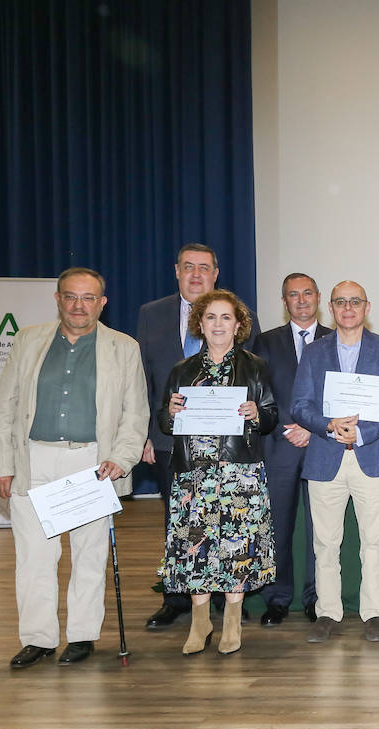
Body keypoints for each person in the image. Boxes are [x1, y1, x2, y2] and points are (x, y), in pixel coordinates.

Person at [0, 268, 148, 669]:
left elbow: (135, 413)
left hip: (91, 464)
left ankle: (81, 636)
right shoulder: (27, 341)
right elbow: (3, 408)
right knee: (34, 558)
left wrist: (122, 458)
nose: (80, 305)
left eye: (89, 298)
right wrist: (1, 464)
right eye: (72, 297)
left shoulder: (124, 347)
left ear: (102, 303)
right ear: (58, 299)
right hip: (33, 459)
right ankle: (39, 639)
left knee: (89, 555)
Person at [137, 243, 260, 630]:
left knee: (225, 523)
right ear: (176, 271)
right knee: (180, 521)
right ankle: (176, 600)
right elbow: (143, 379)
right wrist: (145, 432)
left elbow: (249, 386)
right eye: (188, 267)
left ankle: (224, 599)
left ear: (215, 273)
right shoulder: (150, 314)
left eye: (203, 268)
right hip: (167, 440)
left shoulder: (237, 318)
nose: (195, 274)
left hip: (228, 451)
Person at [159, 290, 279, 655]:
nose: (218, 324)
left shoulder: (255, 367)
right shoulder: (182, 371)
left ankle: (230, 621)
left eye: (225, 317)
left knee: (236, 549)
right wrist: (171, 413)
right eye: (210, 317)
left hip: (239, 475)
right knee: (195, 549)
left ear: (238, 325)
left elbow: (272, 417)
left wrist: (257, 414)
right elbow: (163, 423)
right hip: (194, 476)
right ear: (200, 324)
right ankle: (200, 623)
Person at [291, 281, 379, 643]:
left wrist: (359, 433)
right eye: (341, 301)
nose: (348, 307)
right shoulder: (314, 352)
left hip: (372, 455)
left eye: (355, 301)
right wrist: (328, 425)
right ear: (331, 307)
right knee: (325, 542)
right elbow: (300, 405)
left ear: (367, 307)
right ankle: (328, 612)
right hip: (326, 456)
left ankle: (373, 613)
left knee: (374, 541)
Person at [251, 273, 330, 626]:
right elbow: (260, 394)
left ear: (318, 298)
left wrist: (312, 428)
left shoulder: (336, 339)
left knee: (322, 531)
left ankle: (317, 598)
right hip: (279, 447)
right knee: (277, 528)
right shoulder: (265, 343)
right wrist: (291, 426)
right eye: (293, 295)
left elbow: (341, 394)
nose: (301, 300)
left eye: (307, 293)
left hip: (323, 446)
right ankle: (278, 598)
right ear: (284, 302)